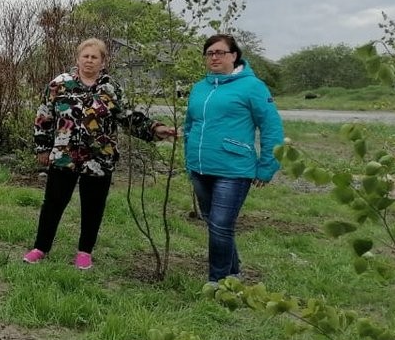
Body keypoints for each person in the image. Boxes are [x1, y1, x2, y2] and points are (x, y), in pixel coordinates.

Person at [25, 38, 175, 269]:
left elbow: (126, 117)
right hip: (64, 156)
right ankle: (40, 247)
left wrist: (155, 128)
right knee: (53, 203)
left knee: (93, 206)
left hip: (99, 158)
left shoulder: (111, 88)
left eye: (95, 57)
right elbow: (44, 116)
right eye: (85, 56)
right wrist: (43, 148)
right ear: (78, 58)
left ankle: (85, 252)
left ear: (103, 62)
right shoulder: (59, 84)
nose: (89, 60)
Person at [184, 33, 284, 285]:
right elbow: (190, 125)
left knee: (220, 224)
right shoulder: (200, 87)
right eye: (210, 53)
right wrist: (189, 156)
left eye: (220, 52)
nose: (214, 57)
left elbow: (271, 127)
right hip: (200, 167)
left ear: (234, 55)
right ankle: (234, 273)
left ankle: (218, 282)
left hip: (234, 168)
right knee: (217, 224)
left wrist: (267, 166)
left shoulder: (252, 87)